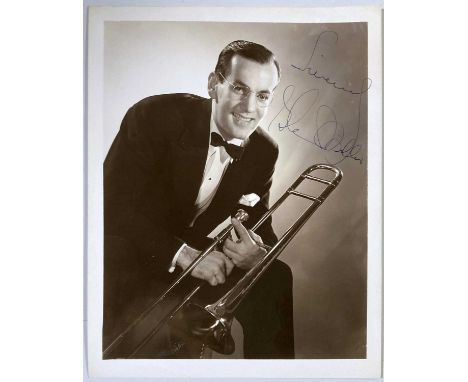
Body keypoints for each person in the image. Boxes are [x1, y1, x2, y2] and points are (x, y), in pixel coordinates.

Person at [103, 40, 294, 359]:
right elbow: (110, 207)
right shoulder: (154, 115)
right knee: (115, 251)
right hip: (135, 249)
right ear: (213, 85)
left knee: (275, 275)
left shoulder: (263, 150)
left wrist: (256, 255)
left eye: (262, 95)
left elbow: (261, 223)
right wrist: (184, 254)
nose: (249, 109)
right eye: (239, 89)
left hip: (199, 257)